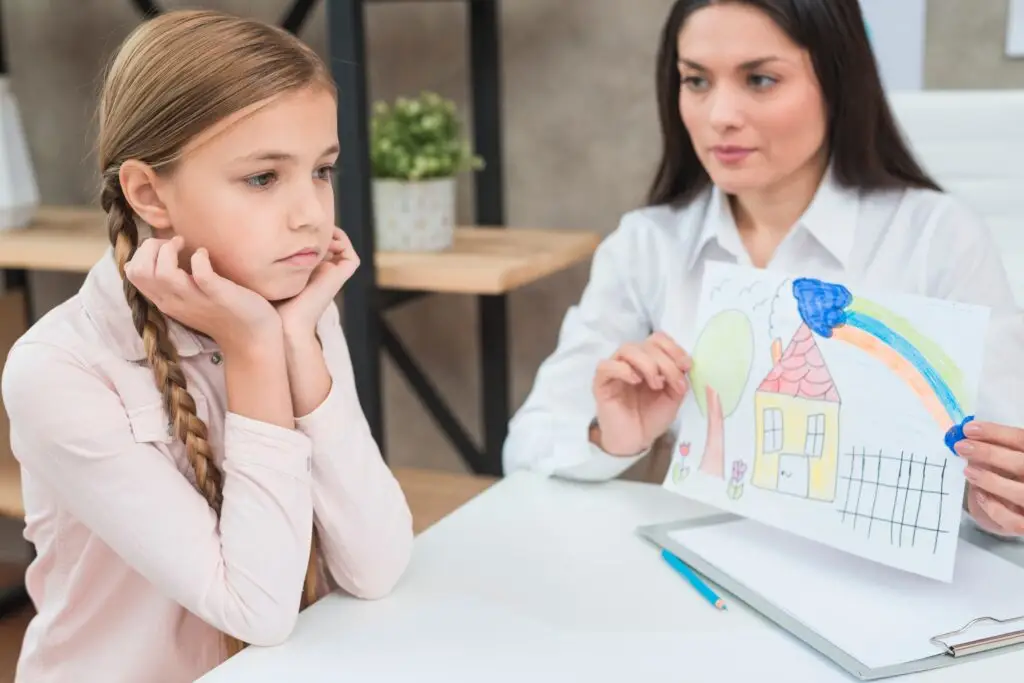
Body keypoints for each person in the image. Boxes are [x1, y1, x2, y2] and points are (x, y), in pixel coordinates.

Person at [503, 0, 1024, 538]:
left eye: (760, 79)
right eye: (697, 81)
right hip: (693, 579)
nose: (719, 115)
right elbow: (529, 444)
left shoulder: (936, 236)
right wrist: (611, 438)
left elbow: (1009, 448)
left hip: (879, 594)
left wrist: (992, 504)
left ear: (837, 81)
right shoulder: (648, 244)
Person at [0, 10, 413, 682]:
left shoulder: (295, 311)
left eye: (322, 171)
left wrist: (299, 345)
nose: (310, 211)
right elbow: (256, 607)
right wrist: (254, 352)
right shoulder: (59, 369)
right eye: (262, 178)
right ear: (147, 192)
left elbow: (377, 563)